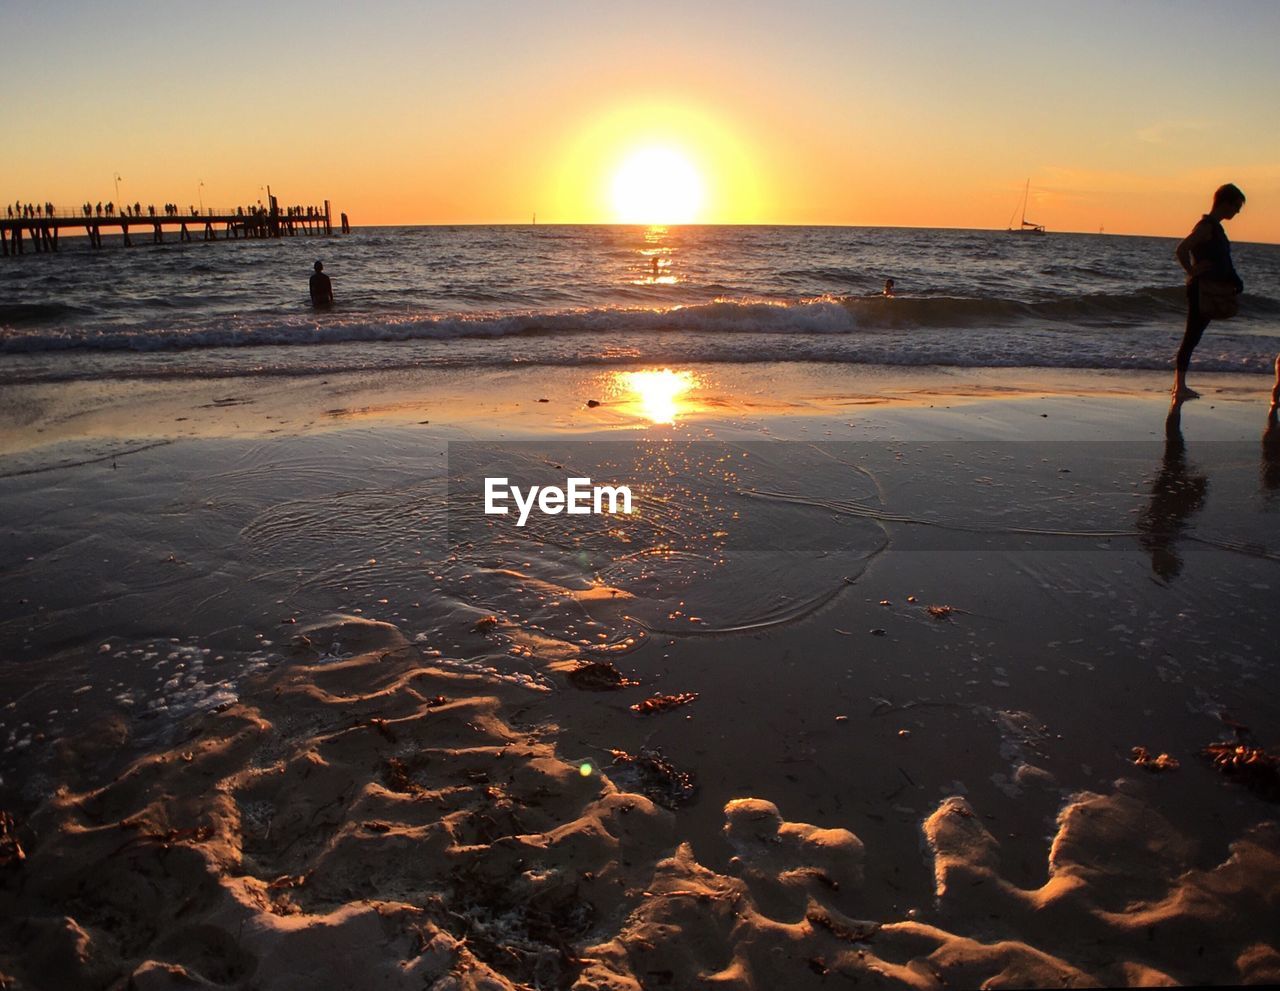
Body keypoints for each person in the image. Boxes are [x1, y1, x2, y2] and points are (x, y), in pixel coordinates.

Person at [1172, 183, 1246, 401]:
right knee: (1191, 336)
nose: (1237, 211)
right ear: (1224, 203)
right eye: (1236, 206)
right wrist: (1192, 270)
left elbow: (1223, 260)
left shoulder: (1217, 228)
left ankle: (1180, 385)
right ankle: (1180, 386)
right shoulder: (1206, 227)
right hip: (1201, 289)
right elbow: (1182, 249)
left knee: (1195, 336)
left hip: (1213, 289)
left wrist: (1235, 279)